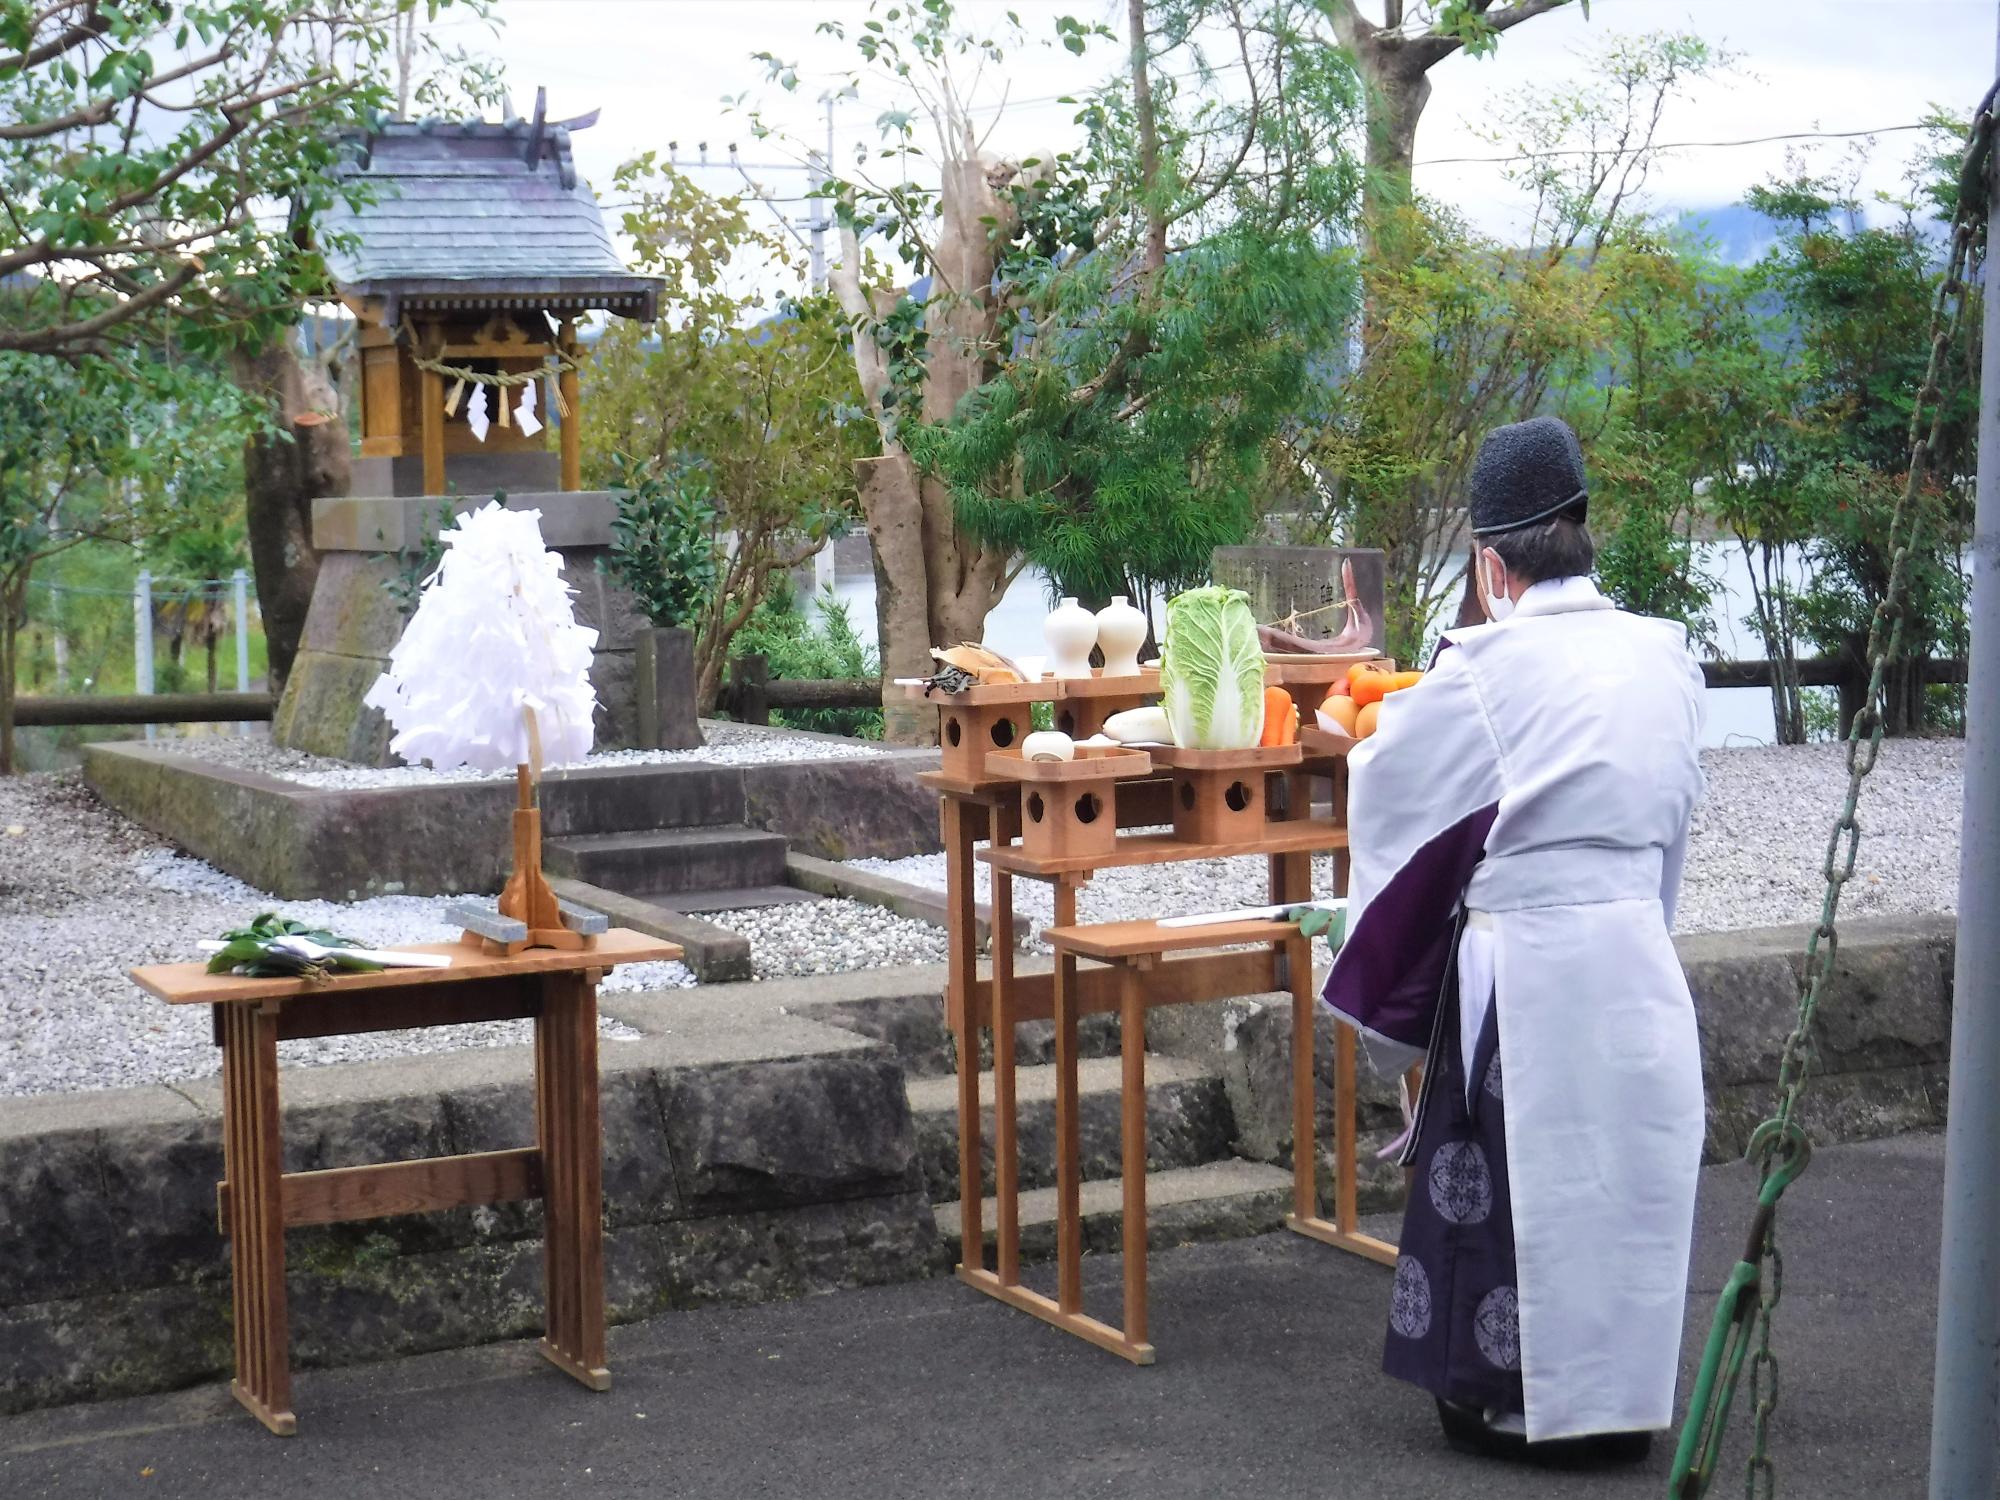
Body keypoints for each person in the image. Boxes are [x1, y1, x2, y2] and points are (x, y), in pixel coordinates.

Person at [1321, 415, 1707, 1464]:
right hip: (1634, 950)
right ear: (1581, 532)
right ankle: (1622, 1403)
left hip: (1527, 962)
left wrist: (1344, 746)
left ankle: (1507, 1406)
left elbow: (1394, 792)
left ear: (1491, 564)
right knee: (1623, 1179)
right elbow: (1671, 818)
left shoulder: (1485, 669)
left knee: (1508, 1182)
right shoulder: (1664, 657)